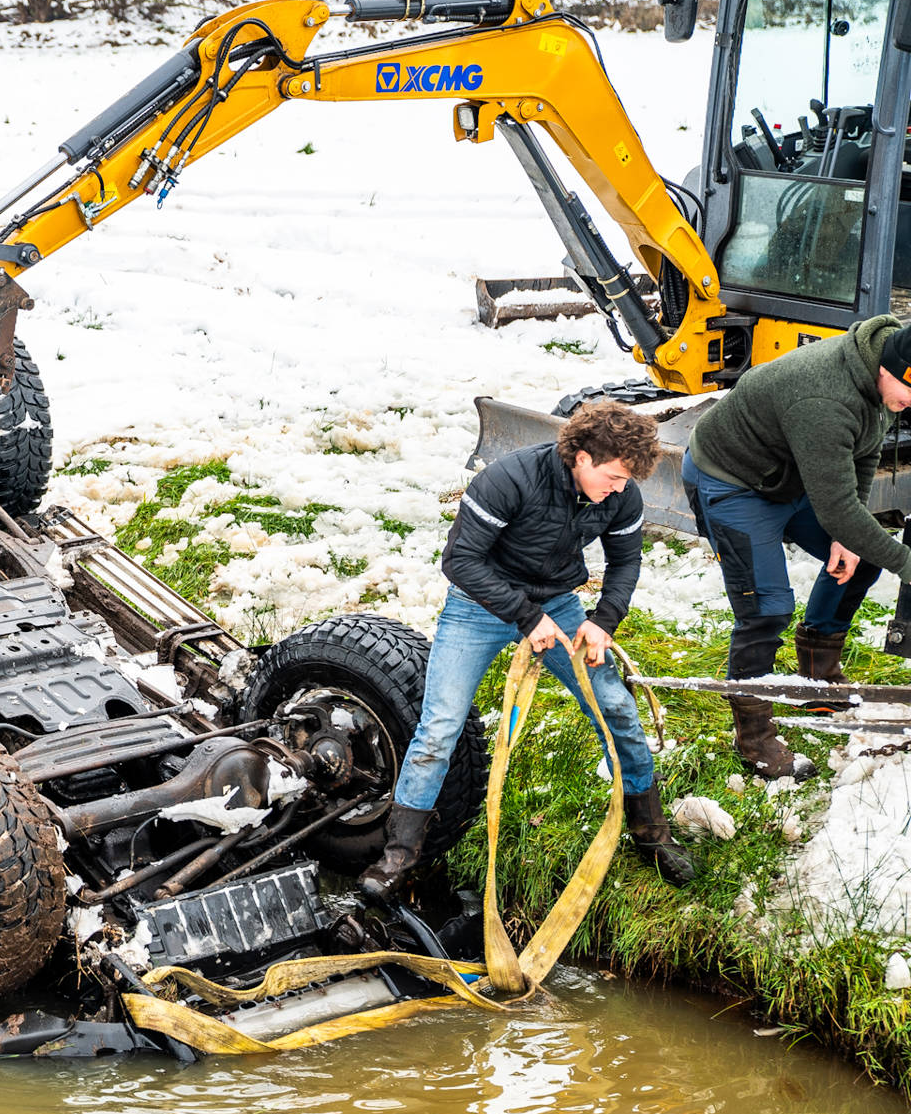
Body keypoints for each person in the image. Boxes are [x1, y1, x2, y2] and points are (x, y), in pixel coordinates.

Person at [359, 402, 695, 899]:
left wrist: (603, 622)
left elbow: (625, 563)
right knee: (441, 726)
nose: (620, 487)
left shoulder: (621, 494)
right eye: (613, 475)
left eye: (627, 480)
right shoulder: (509, 479)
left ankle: (651, 834)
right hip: (478, 603)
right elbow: (460, 560)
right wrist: (525, 617)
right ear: (581, 456)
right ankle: (400, 855)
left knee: (617, 708)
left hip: (556, 603)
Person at [682, 317, 911, 780]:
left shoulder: (883, 378)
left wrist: (850, 535)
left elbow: (864, 451)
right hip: (734, 480)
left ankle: (817, 677)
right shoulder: (824, 397)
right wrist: (906, 563)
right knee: (766, 610)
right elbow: (838, 510)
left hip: (789, 474)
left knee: (862, 556)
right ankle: (756, 737)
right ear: (889, 368)